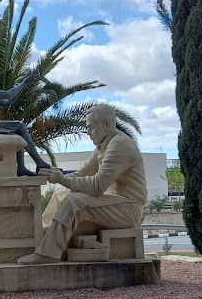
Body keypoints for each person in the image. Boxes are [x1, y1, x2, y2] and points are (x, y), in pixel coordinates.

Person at [17, 103, 147, 264]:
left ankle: (48, 254)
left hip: (129, 208)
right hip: (113, 202)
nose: (88, 132)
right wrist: (56, 175)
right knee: (60, 196)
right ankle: (43, 237)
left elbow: (98, 185)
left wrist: (62, 179)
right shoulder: (104, 144)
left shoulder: (120, 145)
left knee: (75, 202)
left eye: (91, 127)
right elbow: (83, 173)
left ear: (107, 125)